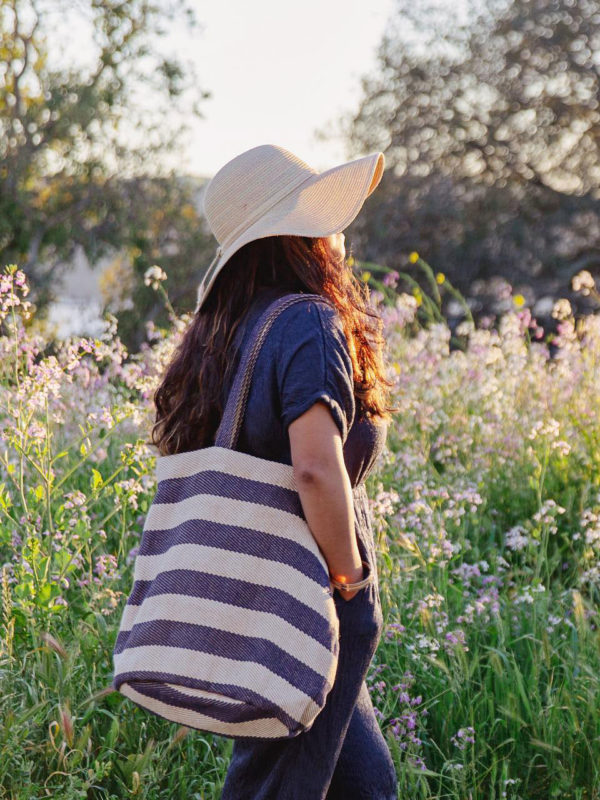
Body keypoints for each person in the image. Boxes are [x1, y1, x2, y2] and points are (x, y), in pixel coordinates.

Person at [151, 144, 400, 799]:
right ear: (302, 235)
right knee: (278, 787)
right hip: (309, 589)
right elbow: (315, 470)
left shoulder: (222, 332)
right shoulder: (310, 322)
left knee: (363, 787)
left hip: (257, 588)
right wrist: (352, 579)